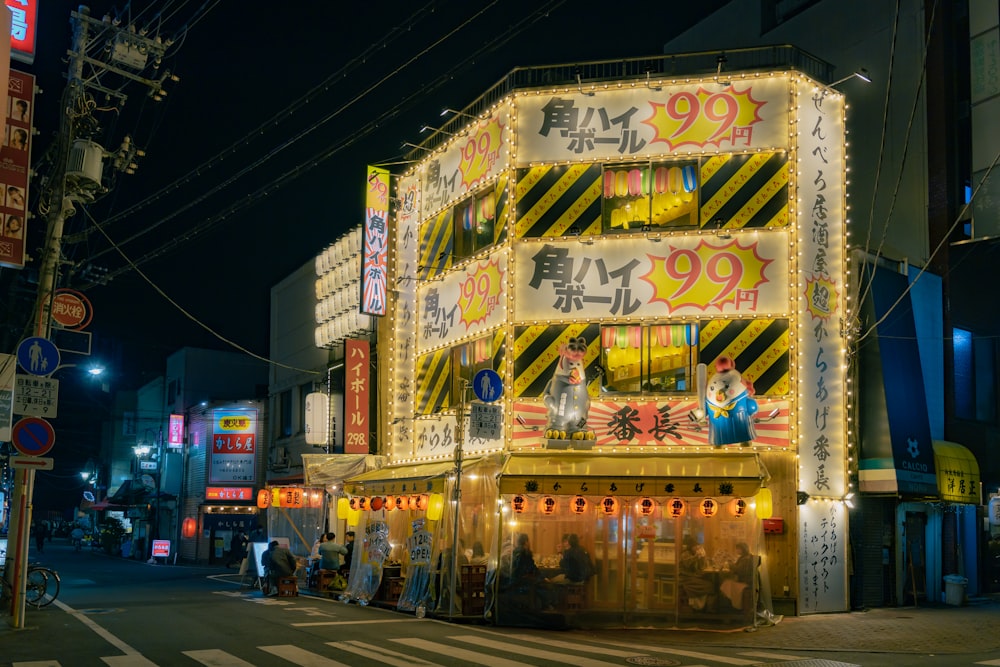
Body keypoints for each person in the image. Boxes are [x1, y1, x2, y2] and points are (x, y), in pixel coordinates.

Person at [679, 534, 716, 611]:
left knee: (710, 582)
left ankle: (702, 606)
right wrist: (696, 557)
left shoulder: (696, 554)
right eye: (695, 546)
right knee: (709, 585)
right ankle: (699, 606)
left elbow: (702, 567)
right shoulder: (685, 554)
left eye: (697, 546)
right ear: (690, 547)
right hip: (686, 578)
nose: (696, 548)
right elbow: (687, 564)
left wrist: (703, 557)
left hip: (693, 576)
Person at [720, 542, 755, 611]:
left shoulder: (746, 559)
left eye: (738, 549)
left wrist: (730, 564)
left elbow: (738, 570)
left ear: (743, 549)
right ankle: (729, 606)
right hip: (744, 579)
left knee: (725, 583)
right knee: (725, 582)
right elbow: (738, 568)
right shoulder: (745, 557)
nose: (736, 550)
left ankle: (729, 607)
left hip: (744, 581)